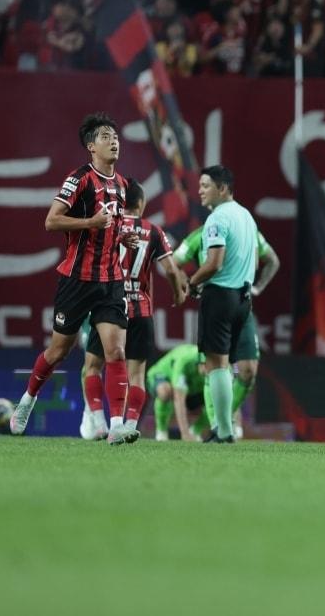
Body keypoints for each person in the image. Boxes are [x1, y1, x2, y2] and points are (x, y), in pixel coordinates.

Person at [11, 112, 138, 442]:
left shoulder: (123, 185)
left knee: (116, 352)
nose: (114, 141)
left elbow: (111, 224)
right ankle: (28, 399)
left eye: (116, 136)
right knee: (58, 352)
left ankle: (117, 426)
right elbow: (51, 221)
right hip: (77, 280)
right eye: (106, 136)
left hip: (111, 280)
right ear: (91, 146)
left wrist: (123, 237)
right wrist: (89, 224)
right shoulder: (79, 179)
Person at [79, 179, 185, 442]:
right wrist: (177, 292)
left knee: (92, 367)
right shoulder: (154, 231)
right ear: (142, 203)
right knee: (137, 373)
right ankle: (129, 424)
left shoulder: (108, 228)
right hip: (141, 310)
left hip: (108, 309)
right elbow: (171, 269)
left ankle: (99, 423)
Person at [173, 222, 279, 440]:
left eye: (206, 185)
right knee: (211, 369)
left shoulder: (248, 231)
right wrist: (187, 284)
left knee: (248, 371)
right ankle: (218, 427)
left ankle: (221, 421)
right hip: (213, 306)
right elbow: (174, 262)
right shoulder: (201, 235)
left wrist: (259, 287)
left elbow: (273, 261)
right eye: (201, 185)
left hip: (242, 305)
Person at [179, 165, 259, 444]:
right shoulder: (247, 217)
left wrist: (192, 282)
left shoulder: (216, 219)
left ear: (222, 188)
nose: (199, 191)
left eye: (205, 186)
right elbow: (255, 258)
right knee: (227, 366)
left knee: (216, 365)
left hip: (220, 296)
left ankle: (223, 430)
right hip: (243, 299)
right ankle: (224, 429)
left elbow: (214, 263)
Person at [146, 343, 209, 441]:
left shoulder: (221, 367)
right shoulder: (185, 361)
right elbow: (179, 400)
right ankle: (161, 432)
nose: (208, 370)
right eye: (206, 365)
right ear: (199, 361)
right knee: (165, 391)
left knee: (218, 400)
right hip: (162, 375)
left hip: (192, 390)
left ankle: (195, 431)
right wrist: (185, 434)